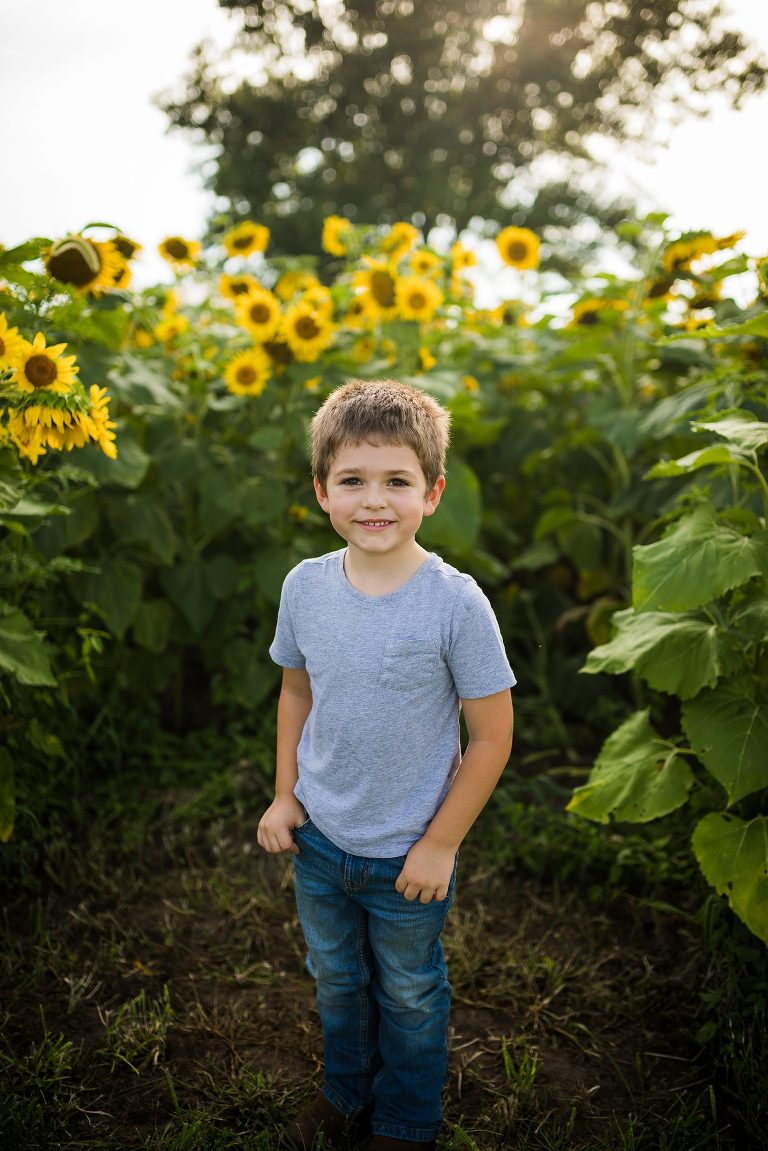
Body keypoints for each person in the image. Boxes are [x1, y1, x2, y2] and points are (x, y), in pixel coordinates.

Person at [257, 378, 515, 1151]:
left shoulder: (455, 604)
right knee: (337, 980)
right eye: (353, 481)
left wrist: (440, 844)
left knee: (407, 992)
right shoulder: (304, 587)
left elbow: (494, 736)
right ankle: (344, 1094)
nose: (375, 500)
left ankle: (405, 1120)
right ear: (321, 491)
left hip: (408, 855)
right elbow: (295, 696)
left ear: (432, 492)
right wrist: (284, 797)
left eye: (397, 481)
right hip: (321, 842)